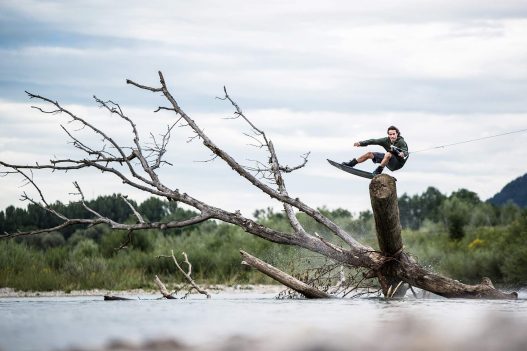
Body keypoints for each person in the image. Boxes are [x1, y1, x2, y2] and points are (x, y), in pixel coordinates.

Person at [342, 126, 409, 175]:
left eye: (394, 134)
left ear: (397, 134)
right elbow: (373, 141)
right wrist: (361, 143)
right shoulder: (386, 140)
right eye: (390, 134)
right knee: (369, 154)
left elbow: (405, 151)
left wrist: (403, 153)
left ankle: (378, 170)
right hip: (387, 160)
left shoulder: (401, 142)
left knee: (388, 154)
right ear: (388, 135)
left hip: (396, 164)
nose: (392, 136)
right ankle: (351, 164)